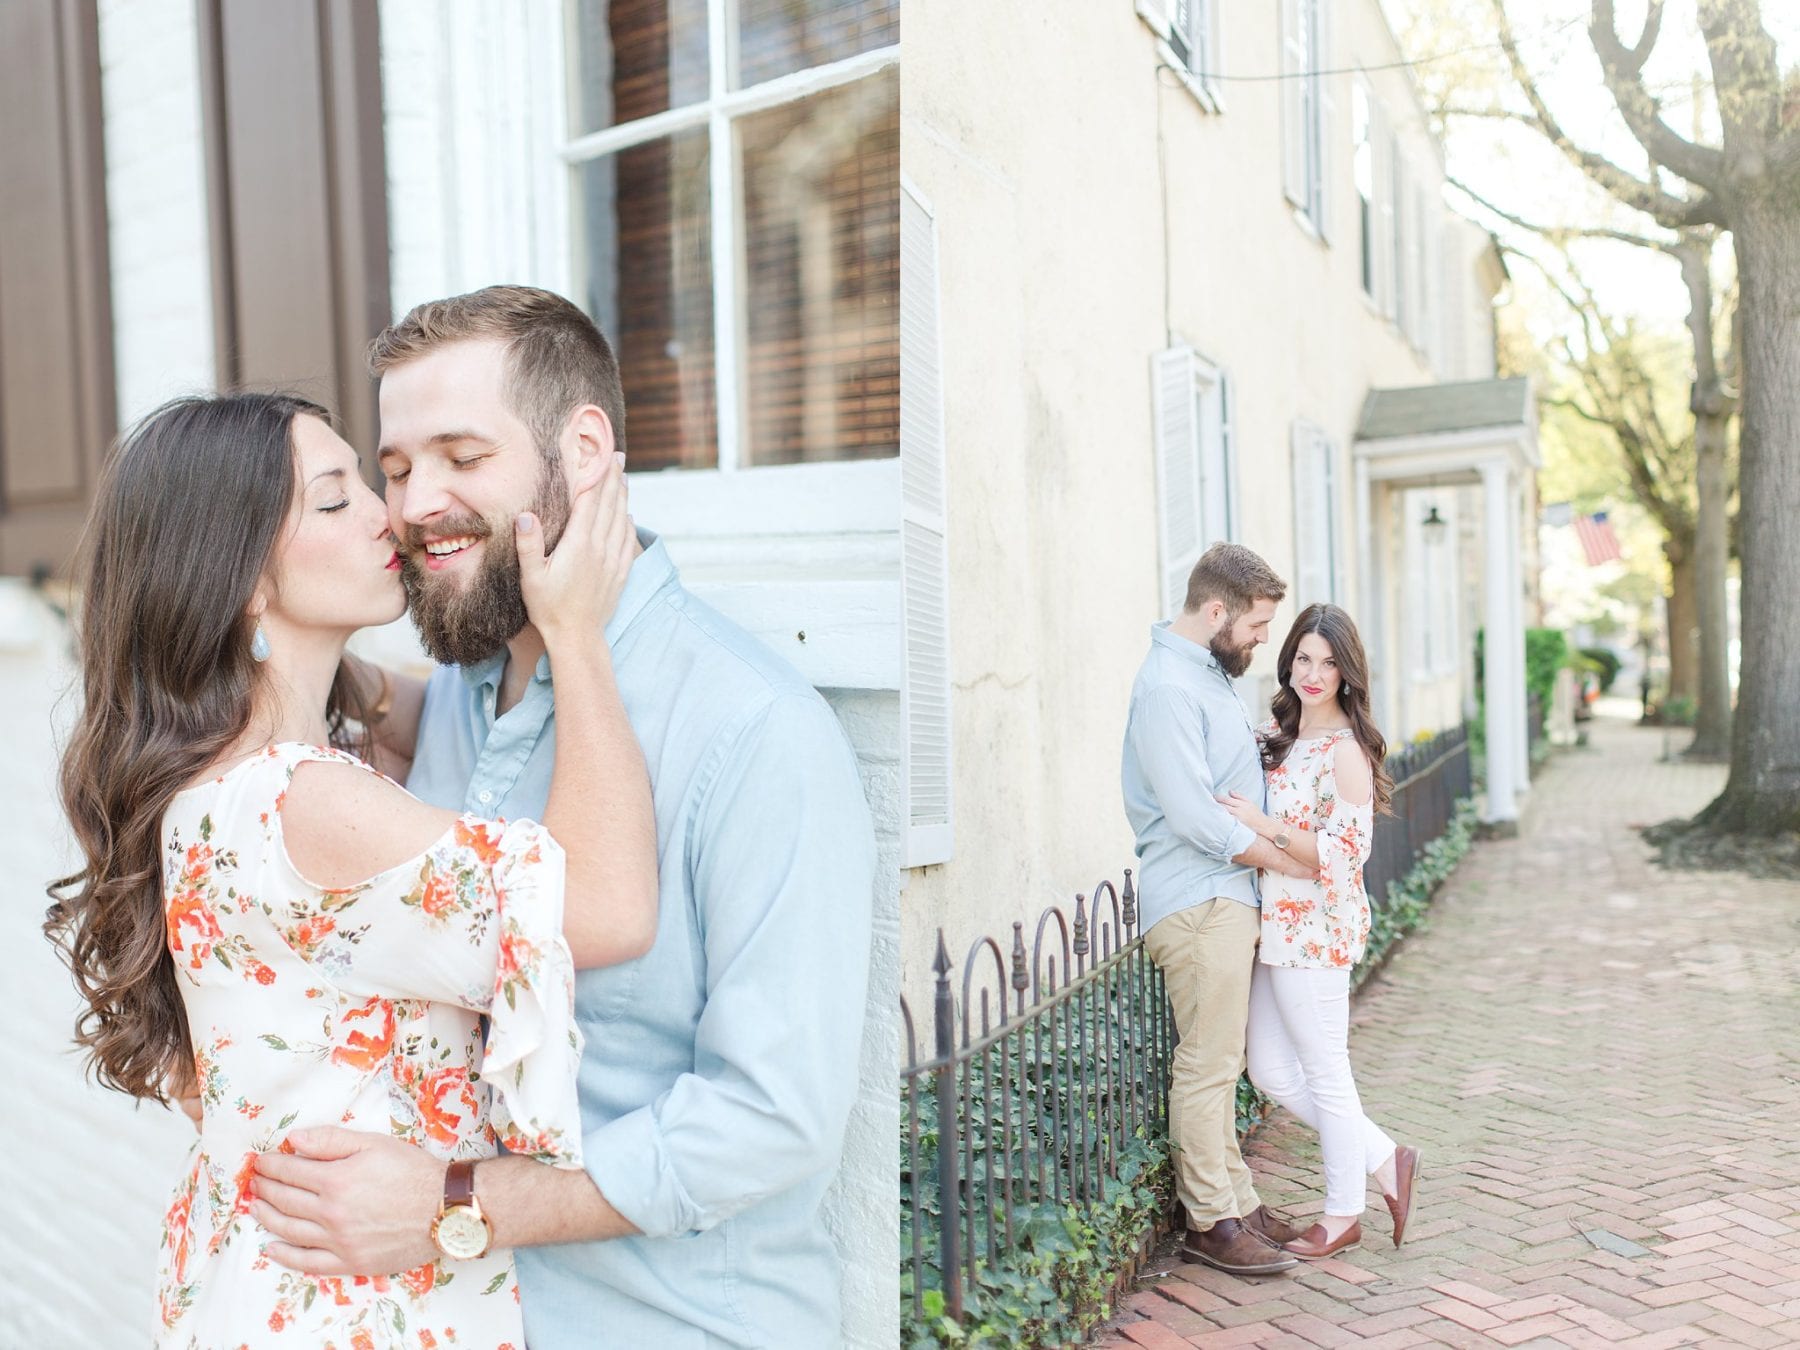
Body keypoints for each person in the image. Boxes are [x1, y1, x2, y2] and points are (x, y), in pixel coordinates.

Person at [249, 285, 877, 1349]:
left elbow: (775, 1118)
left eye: (461, 456)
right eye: (396, 469)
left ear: (584, 448)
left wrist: (453, 1201)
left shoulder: (755, 730)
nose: (413, 505)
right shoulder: (459, 688)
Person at [45, 391, 657, 1347]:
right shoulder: (305, 802)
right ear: (243, 576)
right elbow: (611, 909)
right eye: (337, 501)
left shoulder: (209, 775)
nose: (393, 514)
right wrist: (575, 634)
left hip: (254, 1282)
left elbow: (410, 708)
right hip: (350, 1309)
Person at [1121, 542, 1316, 1277]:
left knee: (1223, 1062)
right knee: (1207, 1068)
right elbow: (1195, 818)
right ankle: (1210, 1219)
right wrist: (1285, 860)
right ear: (1215, 612)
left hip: (1223, 898)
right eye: (1258, 625)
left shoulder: (1202, 674)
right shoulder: (1169, 688)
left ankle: (1239, 1200)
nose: (1264, 638)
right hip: (1200, 901)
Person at [1220, 602, 1421, 1259]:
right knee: (1272, 1070)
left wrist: (1263, 826)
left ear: (1346, 673)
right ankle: (1386, 1158)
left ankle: (1342, 1214)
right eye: (1303, 657)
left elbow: (1344, 854)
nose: (1313, 672)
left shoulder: (1346, 753)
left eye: (1328, 662)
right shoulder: (1277, 737)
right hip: (1276, 928)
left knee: (1326, 1072)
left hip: (1318, 932)